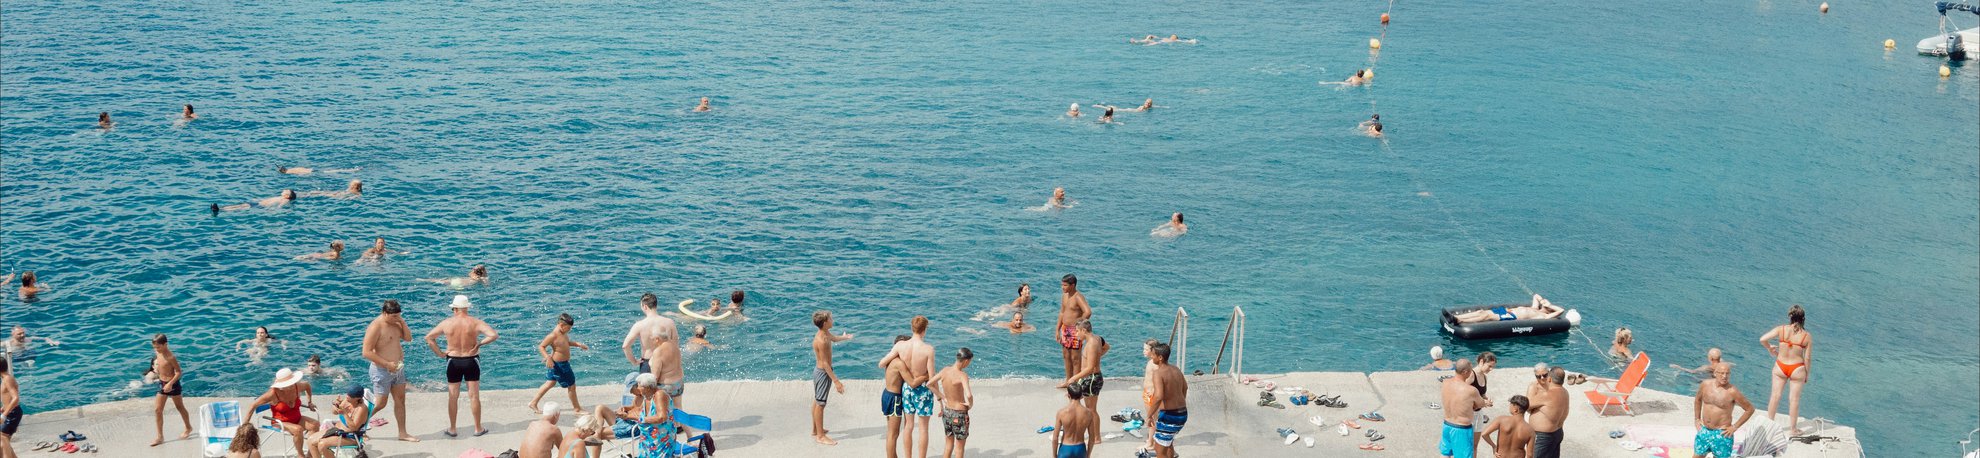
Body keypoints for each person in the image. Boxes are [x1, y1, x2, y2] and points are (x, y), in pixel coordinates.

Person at [425, 294, 499, 437]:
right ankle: (478, 428)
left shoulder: (446, 323)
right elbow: (493, 335)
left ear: (454, 309)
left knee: (453, 396)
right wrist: (479, 343)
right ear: (466, 308)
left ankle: (453, 429)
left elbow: (429, 338)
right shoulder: (475, 322)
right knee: (474, 396)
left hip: (453, 361)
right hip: (471, 360)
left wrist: (440, 353)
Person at [361, 299, 419, 442]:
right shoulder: (376, 327)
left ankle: (403, 433)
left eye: (398, 315)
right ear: (384, 313)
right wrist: (387, 364)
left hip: (398, 369)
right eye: (394, 316)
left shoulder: (397, 322)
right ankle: (358, 426)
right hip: (381, 370)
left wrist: (402, 322)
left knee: (400, 400)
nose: (396, 319)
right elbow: (366, 352)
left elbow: (408, 338)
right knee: (381, 403)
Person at [880, 316, 937, 458]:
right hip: (922, 390)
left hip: (906, 390)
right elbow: (931, 378)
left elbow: (881, 364)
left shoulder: (900, 346)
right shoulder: (928, 349)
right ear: (924, 330)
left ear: (912, 328)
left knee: (908, 426)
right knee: (923, 429)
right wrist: (940, 398)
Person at [621, 293, 687, 409]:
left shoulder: (640, 325)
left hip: (647, 363)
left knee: (647, 398)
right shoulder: (669, 322)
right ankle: (678, 425)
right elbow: (675, 344)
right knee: (675, 401)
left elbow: (625, 346)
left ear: (644, 306)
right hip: (667, 363)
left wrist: (634, 361)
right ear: (655, 305)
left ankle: (649, 421)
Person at [1759, 304, 1813, 434]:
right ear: (1803, 318)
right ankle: (1793, 429)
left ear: (1790, 317)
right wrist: (1807, 374)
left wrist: (1769, 348)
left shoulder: (1781, 329)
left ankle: (1769, 425)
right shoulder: (1806, 336)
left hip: (1780, 366)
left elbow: (1762, 339)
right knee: (1794, 400)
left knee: (1775, 396)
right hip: (1797, 368)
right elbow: (1807, 358)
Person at [247, 368, 317, 458]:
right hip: (279, 422)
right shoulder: (273, 393)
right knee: (298, 429)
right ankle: (301, 455)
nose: (291, 385)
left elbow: (307, 386)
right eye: (288, 384)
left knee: (315, 424)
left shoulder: (297, 386)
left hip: (297, 419)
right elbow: (252, 406)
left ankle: (310, 454)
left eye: (292, 382)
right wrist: (245, 425)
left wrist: (309, 402)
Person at [529, 313, 590, 414]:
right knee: (571, 386)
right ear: (561, 325)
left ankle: (533, 402)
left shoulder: (563, 334)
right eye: (568, 328)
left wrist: (578, 344)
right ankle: (577, 409)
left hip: (556, 364)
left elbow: (565, 343)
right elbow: (541, 346)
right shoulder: (553, 335)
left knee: (550, 383)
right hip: (560, 365)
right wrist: (547, 357)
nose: (569, 330)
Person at [810, 310, 855, 445]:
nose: (832, 320)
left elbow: (833, 338)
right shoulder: (822, 340)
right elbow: (824, 364)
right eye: (830, 318)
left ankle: (815, 429)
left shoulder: (824, 333)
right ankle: (820, 436)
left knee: (817, 400)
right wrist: (836, 381)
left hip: (821, 372)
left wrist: (845, 337)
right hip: (823, 373)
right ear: (825, 323)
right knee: (821, 404)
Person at [1694, 363, 1755, 458]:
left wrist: (1734, 427)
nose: (1725, 376)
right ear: (1715, 373)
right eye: (1722, 373)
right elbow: (1698, 400)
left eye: (1727, 373)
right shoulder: (1705, 385)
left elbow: (1750, 409)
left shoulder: (1732, 391)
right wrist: (1697, 419)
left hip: (1722, 434)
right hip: (1705, 430)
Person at [1438, 358, 1490, 458]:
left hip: (1447, 424)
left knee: (1445, 454)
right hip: (1461, 429)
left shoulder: (1445, 383)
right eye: (1470, 370)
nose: (1471, 372)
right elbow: (1480, 404)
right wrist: (1486, 402)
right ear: (1465, 372)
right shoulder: (1471, 390)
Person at [147, 333, 193, 447]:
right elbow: (160, 364)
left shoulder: (171, 357)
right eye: (154, 347)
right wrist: (157, 370)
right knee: (158, 410)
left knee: (179, 407)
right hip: (162, 384)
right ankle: (160, 437)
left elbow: (178, 372)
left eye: (158, 347)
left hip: (172, 384)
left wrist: (170, 384)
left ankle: (188, 427)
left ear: (165, 344)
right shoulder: (158, 352)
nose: (156, 349)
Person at [928, 348, 974, 458]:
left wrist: (942, 396)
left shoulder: (945, 370)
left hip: (947, 412)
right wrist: (970, 404)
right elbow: (968, 395)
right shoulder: (962, 375)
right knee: (959, 447)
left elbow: (929, 384)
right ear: (966, 361)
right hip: (959, 413)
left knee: (948, 444)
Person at [1144, 341, 1187, 458]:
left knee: (1159, 450)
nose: (1151, 357)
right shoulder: (1176, 369)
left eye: (1153, 355)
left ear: (1160, 357)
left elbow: (1158, 396)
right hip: (1182, 414)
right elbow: (1185, 387)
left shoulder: (1158, 373)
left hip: (1169, 416)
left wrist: (1149, 415)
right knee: (1168, 444)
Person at [1057, 320, 1108, 412]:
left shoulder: (1092, 344)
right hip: (1087, 378)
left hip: (1091, 379)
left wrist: (1073, 378)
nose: (1076, 334)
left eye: (1077, 331)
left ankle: (1089, 425)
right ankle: (1077, 422)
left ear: (1084, 330)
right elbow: (1106, 347)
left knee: (1091, 410)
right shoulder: (1097, 338)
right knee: (1072, 397)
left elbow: (1090, 368)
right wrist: (1095, 357)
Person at [308, 385, 371, 458]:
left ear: (358, 398)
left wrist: (344, 413)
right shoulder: (347, 401)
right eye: (347, 394)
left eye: (350, 396)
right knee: (310, 440)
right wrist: (336, 405)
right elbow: (334, 412)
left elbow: (354, 427)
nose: (347, 396)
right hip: (336, 431)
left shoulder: (361, 409)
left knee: (322, 445)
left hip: (350, 436)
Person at [1523, 366, 1570, 458]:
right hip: (1558, 433)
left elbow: (1526, 405)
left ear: (1549, 378)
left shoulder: (1547, 395)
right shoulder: (1565, 392)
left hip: (1543, 437)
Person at [628, 373, 677, 458]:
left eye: (639, 386)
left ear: (648, 388)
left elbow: (662, 417)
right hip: (647, 438)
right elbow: (640, 410)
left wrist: (641, 419)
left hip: (661, 439)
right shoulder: (647, 397)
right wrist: (625, 412)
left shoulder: (659, 394)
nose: (638, 388)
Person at [1054, 274, 1091, 379]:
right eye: (1062, 285)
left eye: (1065, 285)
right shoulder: (1064, 296)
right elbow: (1062, 312)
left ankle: (1076, 382)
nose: (1062, 287)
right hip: (1065, 329)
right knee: (1066, 355)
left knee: (1075, 358)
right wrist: (1057, 329)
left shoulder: (1078, 297)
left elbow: (1087, 312)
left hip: (1075, 330)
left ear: (1072, 285)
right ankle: (1068, 380)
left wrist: (1079, 325)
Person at [881, 335, 912, 458]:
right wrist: (926, 376)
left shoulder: (890, 359)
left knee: (891, 433)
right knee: (893, 434)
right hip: (895, 399)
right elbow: (912, 382)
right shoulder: (899, 363)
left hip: (888, 394)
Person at [1049, 385, 1099, 458]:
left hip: (1065, 449)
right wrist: (1088, 455)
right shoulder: (1089, 413)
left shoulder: (1061, 413)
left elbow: (1055, 438)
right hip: (1080, 448)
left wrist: (1054, 456)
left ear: (1068, 395)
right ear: (1081, 396)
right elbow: (1092, 438)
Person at [1452, 300, 1565, 324]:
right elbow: (1536, 295)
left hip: (1511, 317)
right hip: (1506, 311)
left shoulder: (1543, 316)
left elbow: (1561, 311)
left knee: (1486, 316)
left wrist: (1550, 305)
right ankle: (1456, 316)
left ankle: (1459, 319)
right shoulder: (1535, 308)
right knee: (1481, 311)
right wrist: (1542, 301)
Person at [212, 190, 298, 214]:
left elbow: (279, 207)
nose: (284, 190)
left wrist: (272, 211)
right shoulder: (281, 197)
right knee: (241, 205)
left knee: (241, 207)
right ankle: (220, 209)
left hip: (261, 206)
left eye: (286, 191)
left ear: (288, 196)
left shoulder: (285, 200)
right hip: (259, 203)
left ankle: (220, 210)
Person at [1, 357, 20, 458]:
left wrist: (4, 415)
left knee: (2, 439)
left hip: (12, 414)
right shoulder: (6, 378)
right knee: (5, 441)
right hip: (11, 412)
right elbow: (8, 397)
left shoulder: (7, 379)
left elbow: (15, 398)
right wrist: (4, 407)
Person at [420, 264, 490, 288]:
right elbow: (487, 285)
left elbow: (470, 274)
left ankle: (423, 280)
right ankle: (423, 280)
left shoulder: (472, 275)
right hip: (460, 284)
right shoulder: (481, 278)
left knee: (439, 281)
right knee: (443, 283)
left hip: (458, 280)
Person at [277, 166, 359, 175]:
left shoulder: (290, 172)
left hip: (310, 172)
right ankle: (353, 170)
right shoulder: (293, 168)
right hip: (312, 170)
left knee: (333, 171)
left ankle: (353, 170)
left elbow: (301, 174)